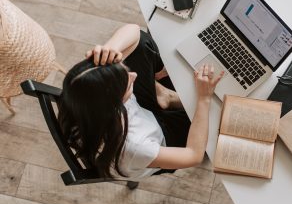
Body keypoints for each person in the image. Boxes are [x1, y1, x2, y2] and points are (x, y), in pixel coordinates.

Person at [58, 24, 223, 180]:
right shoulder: (135, 148)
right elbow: (193, 155)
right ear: (115, 104)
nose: (134, 76)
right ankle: (167, 98)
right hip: (162, 139)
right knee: (217, 118)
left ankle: (164, 97)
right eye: (127, 82)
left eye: (124, 71)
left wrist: (111, 49)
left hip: (138, 115)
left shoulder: (81, 91)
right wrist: (204, 98)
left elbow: (135, 32)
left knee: (142, 43)